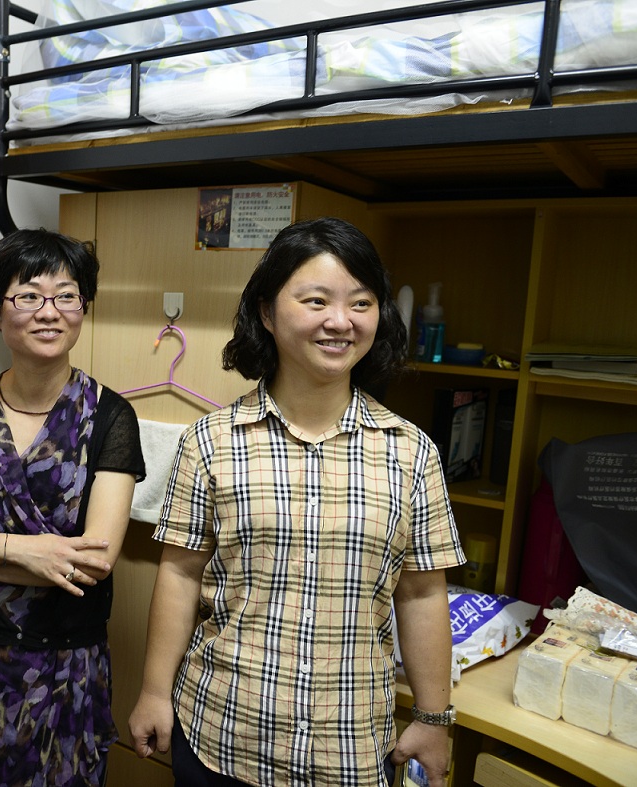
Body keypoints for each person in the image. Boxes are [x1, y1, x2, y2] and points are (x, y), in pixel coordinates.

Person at [128, 217, 464, 787]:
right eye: (316, 301)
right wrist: (155, 692)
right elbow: (180, 574)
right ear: (267, 311)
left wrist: (433, 719)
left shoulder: (411, 452)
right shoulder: (212, 440)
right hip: (220, 733)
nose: (341, 321)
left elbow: (422, 593)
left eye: (361, 303)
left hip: (348, 749)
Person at [0, 229, 145, 785]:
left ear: (83, 307)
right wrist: (23, 551)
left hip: (67, 667)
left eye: (67, 295)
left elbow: (92, 562)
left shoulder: (111, 417)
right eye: (29, 295)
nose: (50, 311)